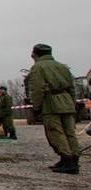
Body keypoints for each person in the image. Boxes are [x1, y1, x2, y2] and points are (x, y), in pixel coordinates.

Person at [27, 43, 79, 174]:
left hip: (51, 104)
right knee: (70, 133)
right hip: (67, 103)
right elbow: (72, 88)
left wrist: (37, 106)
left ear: (35, 54)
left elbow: (37, 89)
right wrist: (72, 103)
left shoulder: (38, 67)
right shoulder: (63, 67)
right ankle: (73, 157)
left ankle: (67, 160)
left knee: (55, 132)